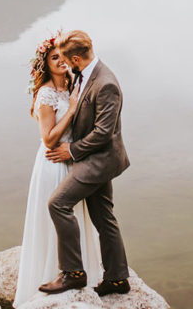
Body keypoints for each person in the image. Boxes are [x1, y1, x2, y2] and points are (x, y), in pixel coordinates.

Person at [13, 34, 104, 307]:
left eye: (63, 56)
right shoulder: (46, 94)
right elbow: (49, 138)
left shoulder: (74, 85)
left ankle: (78, 271)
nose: (61, 61)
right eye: (54, 58)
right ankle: (57, 274)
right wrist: (72, 110)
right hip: (53, 163)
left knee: (75, 216)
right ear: (46, 65)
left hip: (73, 161)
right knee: (57, 215)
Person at [39, 29, 131, 297]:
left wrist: (72, 151)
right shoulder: (85, 74)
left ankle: (73, 273)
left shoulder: (106, 83)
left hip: (99, 160)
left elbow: (104, 132)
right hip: (93, 157)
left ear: (77, 59)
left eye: (68, 61)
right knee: (104, 218)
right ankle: (117, 279)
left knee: (58, 203)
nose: (66, 66)